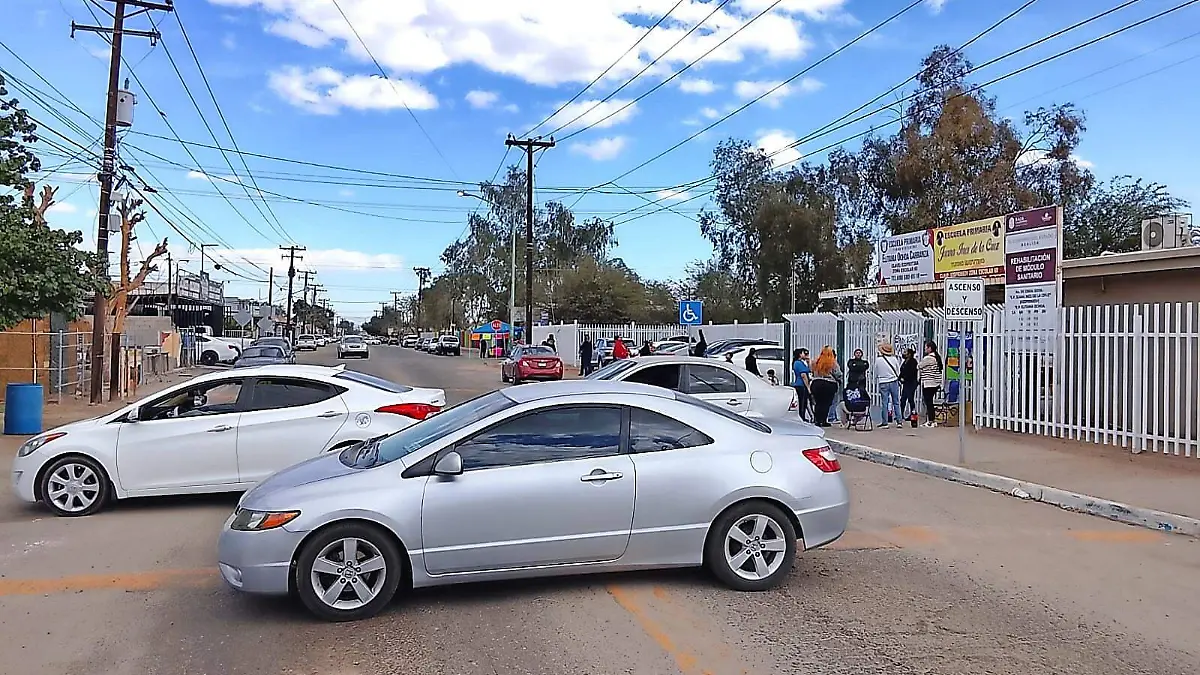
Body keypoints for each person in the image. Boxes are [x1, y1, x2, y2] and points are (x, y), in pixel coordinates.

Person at [873, 342, 902, 428]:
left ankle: (885, 422)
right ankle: (899, 421)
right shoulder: (894, 359)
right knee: (896, 402)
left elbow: (876, 372)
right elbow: (898, 371)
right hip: (893, 381)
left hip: (883, 382)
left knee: (884, 402)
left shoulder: (878, 360)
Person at [809, 346, 839, 428]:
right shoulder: (832, 362)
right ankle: (823, 420)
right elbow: (838, 373)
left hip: (816, 383)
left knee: (818, 403)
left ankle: (817, 420)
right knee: (826, 403)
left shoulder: (816, 361)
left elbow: (811, 370)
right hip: (829, 384)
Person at [918, 340, 944, 428]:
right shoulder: (936, 357)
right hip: (935, 383)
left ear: (930, 348)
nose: (925, 349)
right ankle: (931, 420)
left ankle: (930, 420)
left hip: (928, 383)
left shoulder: (928, 358)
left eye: (926, 347)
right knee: (930, 402)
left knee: (928, 402)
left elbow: (919, 366)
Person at [899, 347, 919, 427]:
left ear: (909, 354)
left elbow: (911, 372)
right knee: (903, 399)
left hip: (911, 382)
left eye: (905, 352)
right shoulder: (905, 362)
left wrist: (905, 378)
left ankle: (912, 414)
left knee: (910, 398)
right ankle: (900, 415)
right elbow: (902, 371)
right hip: (906, 383)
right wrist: (900, 378)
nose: (904, 354)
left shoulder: (913, 362)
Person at [791, 348, 812, 422]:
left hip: (801, 385)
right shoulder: (798, 363)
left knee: (804, 402)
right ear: (800, 354)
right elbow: (803, 375)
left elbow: (810, 370)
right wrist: (808, 387)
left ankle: (802, 416)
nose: (805, 355)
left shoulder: (801, 363)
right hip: (801, 385)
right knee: (802, 402)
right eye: (804, 353)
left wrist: (809, 361)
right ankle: (801, 417)